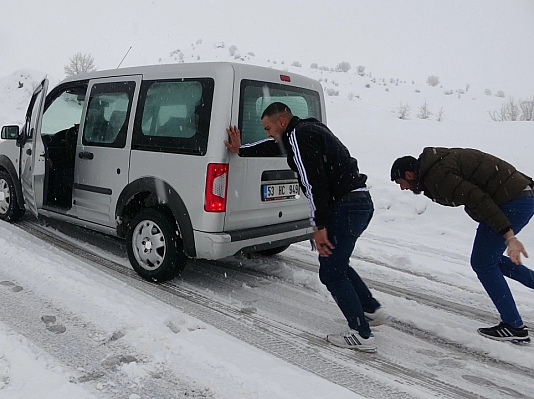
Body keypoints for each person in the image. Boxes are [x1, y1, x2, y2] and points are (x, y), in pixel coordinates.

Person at [225, 102, 388, 352]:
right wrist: (241, 150)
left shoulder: (299, 136)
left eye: (268, 127)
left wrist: (319, 224)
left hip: (345, 207)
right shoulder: (306, 130)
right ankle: (370, 310)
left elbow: (314, 184)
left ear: (281, 122)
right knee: (337, 263)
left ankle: (361, 334)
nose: (267, 133)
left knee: (331, 273)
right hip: (360, 203)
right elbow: (273, 145)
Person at [391, 149, 533, 343]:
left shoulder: (438, 175)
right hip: (520, 195)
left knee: (483, 263)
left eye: (401, 183)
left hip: (511, 202)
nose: (403, 188)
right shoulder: (438, 163)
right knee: (488, 259)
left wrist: (509, 236)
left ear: (409, 175)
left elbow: (479, 200)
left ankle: (514, 326)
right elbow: (489, 169)